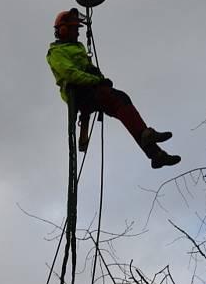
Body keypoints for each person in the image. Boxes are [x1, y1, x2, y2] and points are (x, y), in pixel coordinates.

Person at [47, 9, 181, 169]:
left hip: (90, 90)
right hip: (78, 94)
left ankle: (155, 154)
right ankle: (147, 136)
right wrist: (97, 80)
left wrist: (97, 76)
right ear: (63, 30)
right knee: (117, 98)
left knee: (122, 105)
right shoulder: (56, 52)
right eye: (75, 30)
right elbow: (71, 74)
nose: (77, 34)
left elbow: (86, 69)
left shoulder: (78, 47)